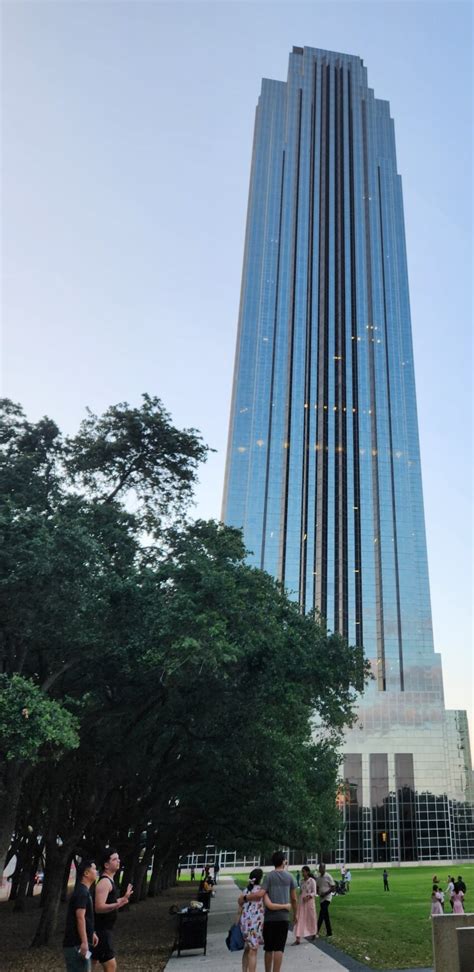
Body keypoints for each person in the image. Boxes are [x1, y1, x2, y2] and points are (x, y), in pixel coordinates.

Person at [238, 868, 292, 972]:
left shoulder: (246, 891)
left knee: (247, 949)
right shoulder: (262, 892)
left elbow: (239, 906)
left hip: (244, 924)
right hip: (254, 924)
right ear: (260, 879)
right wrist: (285, 906)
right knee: (253, 951)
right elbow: (270, 905)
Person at [92, 848, 133, 971]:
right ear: (106, 865)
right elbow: (98, 908)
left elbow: (109, 903)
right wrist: (117, 904)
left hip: (104, 930)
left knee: (91, 965)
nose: (118, 861)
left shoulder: (109, 881)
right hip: (101, 932)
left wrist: (122, 901)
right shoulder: (104, 882)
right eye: (114, 859)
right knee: (110, 966)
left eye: (118, 858)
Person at [261, 852, 297, 972]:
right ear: (283, 861)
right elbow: (294, 898)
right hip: (283, 917)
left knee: (268, 948)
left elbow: (263, 893)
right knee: (279, 948)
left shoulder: (268, 877)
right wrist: (295, 913)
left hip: (269, 918)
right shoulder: (290, 877)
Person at [63, 859, 99, 971]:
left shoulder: (84, 891)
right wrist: (84, 942)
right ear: (86, 873)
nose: (97, 871)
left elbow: (86, 918)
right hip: (76, 944)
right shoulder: (82, 893)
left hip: (79, 943)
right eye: (94, 868)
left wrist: (91, 932)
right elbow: (80, 917)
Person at [291, 865, 317, 945]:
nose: (303, 873)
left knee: (311, 917)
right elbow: (301, 891)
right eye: (302, 871)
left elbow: (314, 892)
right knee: (299, 917)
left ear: (307, 872)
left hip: (309, 902)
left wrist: (309, 896)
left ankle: (313, 933)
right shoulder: (302, 881)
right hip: (302, 902)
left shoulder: (312, 881)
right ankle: (298, 938)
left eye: (304, 871)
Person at [316, 863, 335, 937]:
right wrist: (318, 892)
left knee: (321, 914)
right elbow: (317, 886)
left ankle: (316, 931)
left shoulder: (328, 876)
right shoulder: (318, 877)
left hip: (327, 898)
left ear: (324, 868)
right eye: (320, 868)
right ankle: (329, 932)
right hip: (321, 898)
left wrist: (326, 893)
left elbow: (333, 887)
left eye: (322, 868)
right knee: (325, 915)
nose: (320, 869)